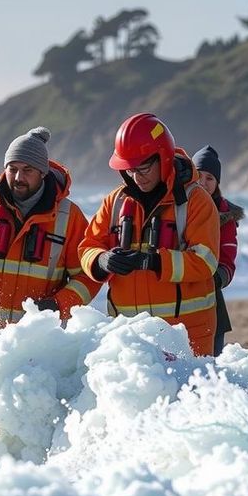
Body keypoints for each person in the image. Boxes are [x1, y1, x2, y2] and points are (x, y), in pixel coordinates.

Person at [78, 113, 220, 356]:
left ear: (163, 158)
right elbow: (87, 246)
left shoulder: (196, 201)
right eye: (129, 169)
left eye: (143, 168)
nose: (136, 177)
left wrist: (153, 261)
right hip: (129, 338)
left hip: (186, 337)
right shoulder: (114, 202)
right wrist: (102, 260)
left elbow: (206, 261)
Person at [0, 127, 101, 327]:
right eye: (12, 169)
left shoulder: (70, 218)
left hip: (35, 341)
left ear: (42, 172)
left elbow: (88, 275)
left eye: (27, 170)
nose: (18, 178)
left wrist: (57, 304)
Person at [192, 145, 244, 356]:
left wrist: (215, 279)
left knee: (209, 365)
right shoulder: (177, 205)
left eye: (210, 178)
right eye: (199, 176)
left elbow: (228, 260)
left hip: (211, 298)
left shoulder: (226, 216)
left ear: (218, 183)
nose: (203, 183)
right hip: (174, 297)